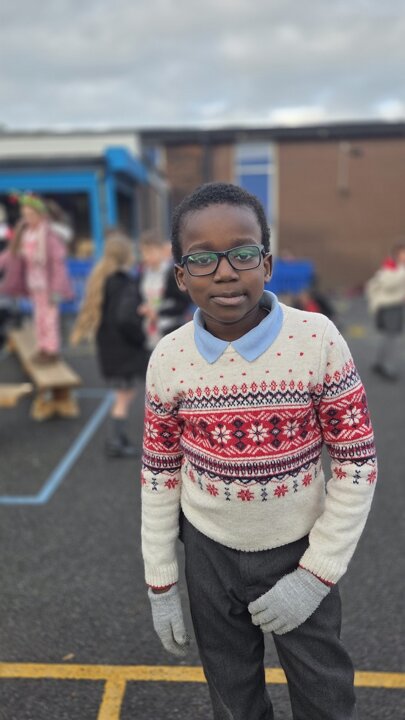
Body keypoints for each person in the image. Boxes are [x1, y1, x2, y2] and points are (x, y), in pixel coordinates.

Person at [141, 182, 377, 720]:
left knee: (324, 695)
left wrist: (315, 576)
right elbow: (159, 473)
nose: (225, 272)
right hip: (208, 551)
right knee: (233, 696)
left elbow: (357, 463)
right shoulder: (169, 358)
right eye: (202, 259)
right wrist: (161, 582)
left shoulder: (317, 339)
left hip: (298, 545)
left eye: (243, 253)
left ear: (267, 265)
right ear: (180, 276)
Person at [71, 230, 147, 458]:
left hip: (109, 348)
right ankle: (115, 440)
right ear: (126, 255)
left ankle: (118, 438)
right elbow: (125, 318)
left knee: (123, 394)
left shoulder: (102, 279)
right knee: (124, 396)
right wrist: (140, 336)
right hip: (124, 350)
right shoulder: (124, 283)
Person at [1, 193, 73, 364]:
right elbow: (12, 254)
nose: (28, 218)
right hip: (34, 283)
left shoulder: (49, 236)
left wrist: (57, 289)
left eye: (32, 215)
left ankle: (52, 349)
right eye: (25, 215)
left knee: (49, 318)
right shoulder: (25, 233)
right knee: (39, 317)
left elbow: (58, 263)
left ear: (41, 215)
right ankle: (42, 347)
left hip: (48, 284)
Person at [137, 229, 190, 351]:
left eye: (150, 251)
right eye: (143, 252)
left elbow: (182, 303)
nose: (146, 256)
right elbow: (141, 298)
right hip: (150, 333)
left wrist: (158, 313)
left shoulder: (171, 273)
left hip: (171, 328)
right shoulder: (143, 274)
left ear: (161, 250)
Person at [366, 240, 405, 381]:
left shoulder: (395, 268)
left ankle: (379, 362)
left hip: (392, 306)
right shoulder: (391, 268)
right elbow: (388, 284)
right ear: (397, 254)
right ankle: (386, 366)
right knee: (390, 337)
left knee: (386, 336)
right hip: (389, 307)